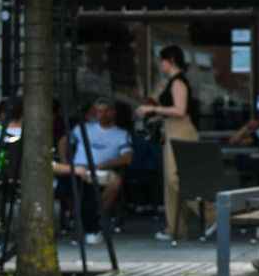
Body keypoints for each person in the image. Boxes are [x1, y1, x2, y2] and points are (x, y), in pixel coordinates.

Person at [137, 45, 201, 242]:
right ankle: (175, 228)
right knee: (170, 183)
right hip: (172, 131)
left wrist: (152, 109)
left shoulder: (178, 82)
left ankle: (213, 213)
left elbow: (180, 110)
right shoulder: (171, 82)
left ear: (171, 60)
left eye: (162, 60)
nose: (160, 65)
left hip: (181, 132)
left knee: (177, 179)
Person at [63, 97, 132, 245]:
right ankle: (84, 220)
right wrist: (65, 162)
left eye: (105, 111)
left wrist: (104, 164)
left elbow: (127, 158)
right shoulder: (83, 128)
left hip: (103, 170)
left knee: (115, 182)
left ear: (113, 113)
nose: (102, 114)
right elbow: (64, 141)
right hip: (78, 168)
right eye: (98, 111)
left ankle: (96, 215)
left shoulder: (121, 134)